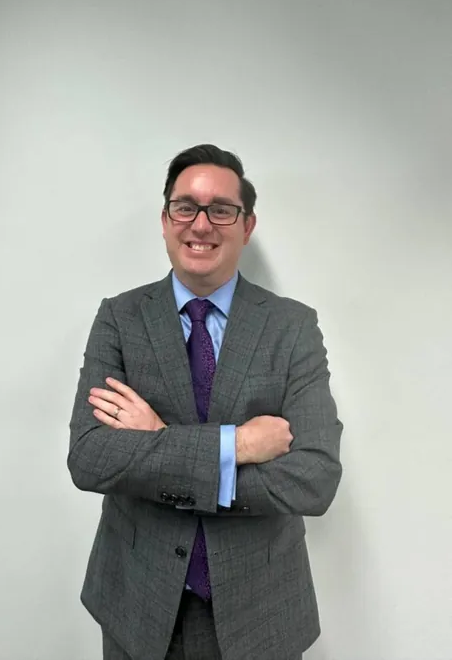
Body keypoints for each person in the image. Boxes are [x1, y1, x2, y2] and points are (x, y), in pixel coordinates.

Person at [68, 144, 343, 660]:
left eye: (221, 210)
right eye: (185, 207)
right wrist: (234, 446)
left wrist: (158, 442)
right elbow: (90, 457)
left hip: (262, 613)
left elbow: (315, 477)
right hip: (136, 605)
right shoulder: (119, 319)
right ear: (165, 219)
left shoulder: (293, 326)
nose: (201, 224)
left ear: (247, 225)